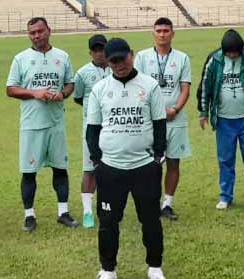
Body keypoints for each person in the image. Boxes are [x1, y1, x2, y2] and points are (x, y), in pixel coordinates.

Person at [86, 38, 167, 279]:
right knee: (108, 222)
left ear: (132, 55)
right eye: (114, 61)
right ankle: (108, 269)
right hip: (111, 169)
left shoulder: (150, 86)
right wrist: (98, 160)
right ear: (107, 62)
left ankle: (154, 267)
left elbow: (159, 123)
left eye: (123, 58)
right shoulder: (100, 89)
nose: (120, 64)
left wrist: (158, 156)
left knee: (151, 219)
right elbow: (92, 129)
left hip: (144, 167)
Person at [6, 17, 78, 232]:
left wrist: (62, 94)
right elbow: (10, 89)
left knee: (60, 168)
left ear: (49, 30)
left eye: (40, 31)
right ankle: (29, 216)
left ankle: (63, 213)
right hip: (31, 123)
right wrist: (34, 93)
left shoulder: (62, 56)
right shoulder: (21, 59)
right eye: (32, 33)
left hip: (56, 122)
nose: (36, 36)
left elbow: (70, 83)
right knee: (29, 171)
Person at [197, 29, 244, 211]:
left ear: (241, 49)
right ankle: (225, 196)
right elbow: (205, 85)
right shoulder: (214, 60)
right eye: (229, 53)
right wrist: (203, 112)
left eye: (235, 53)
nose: (232, 56)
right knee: (225, 160)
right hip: (224, 120)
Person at [134, 17, 192, 221]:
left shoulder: (182, 58)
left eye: (166, 30)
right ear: (153, 33)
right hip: (150, 121)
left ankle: (167, 204)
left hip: (175, 119)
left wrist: (175, 109)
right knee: (150, 164)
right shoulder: (141, 57)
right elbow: (137, 88)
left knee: (174, 163)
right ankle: (149, 203)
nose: (162, 34)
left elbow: (185, 88)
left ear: (173, 33)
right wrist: (153, 112)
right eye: (158, 30)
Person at [73, 34, 110, 229]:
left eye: (102, 49)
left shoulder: (116, 69)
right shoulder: (82, 73)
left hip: (114, 128)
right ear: (90, 52)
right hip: (91, 129)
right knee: (90, 170)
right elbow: (78, 97)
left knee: (112, 169)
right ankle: (87, 212)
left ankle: (108, 207)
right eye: (95, 50)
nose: (99, 53)